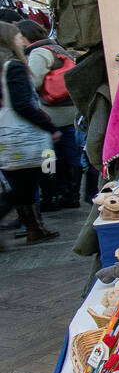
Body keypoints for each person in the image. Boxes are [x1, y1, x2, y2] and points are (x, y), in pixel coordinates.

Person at [0, 23, 59, 244]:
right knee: (26, 184)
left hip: (7, 136)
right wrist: (48, 126)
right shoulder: (13, 66)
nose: (21, 40)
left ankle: (35, 228)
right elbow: (22, 104)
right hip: (22, 135)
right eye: (17, 36)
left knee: (21, 184)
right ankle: (35, 227)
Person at [17, 19, 80, 210]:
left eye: (19, 36)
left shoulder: (38, 53)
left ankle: (61, 194)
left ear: (26, 36)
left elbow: (33, 83)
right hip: (70, 110)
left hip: (52, 114)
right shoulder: (56, 48)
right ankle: (72, 193)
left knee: (53, 159)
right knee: (71, 155)